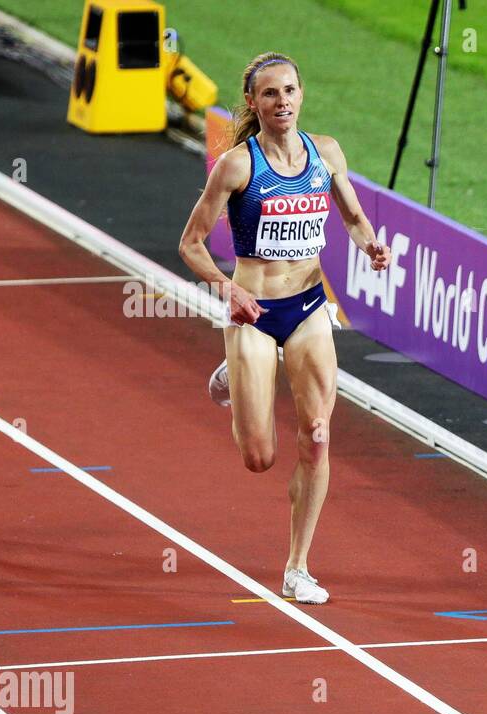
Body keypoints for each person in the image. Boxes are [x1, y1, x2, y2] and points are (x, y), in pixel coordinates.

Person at [178, 51, 388, 604]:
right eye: (270, 93)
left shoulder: (327, 153)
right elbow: (190, 243)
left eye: (290, 90)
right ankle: (235, 367)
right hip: (255, 313)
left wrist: (370, 244)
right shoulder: (238, 166)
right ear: (252, 102)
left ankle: (298, 567)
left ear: (302, 93)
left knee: (318, 436)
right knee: (259, 457)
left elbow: (352, 215)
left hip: (309, 310)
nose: (283, 101)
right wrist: (226, 287)